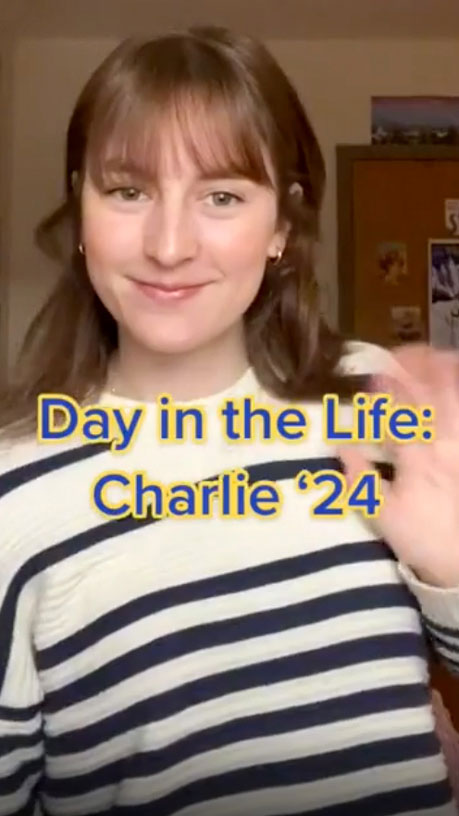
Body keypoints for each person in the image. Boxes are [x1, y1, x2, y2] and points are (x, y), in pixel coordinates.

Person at [1, 26, 459, 816]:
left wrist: (448, 569)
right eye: (128, 191)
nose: (169, 246)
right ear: (80, 212)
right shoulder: (15, 490)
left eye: (221, 196)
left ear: (281, 226)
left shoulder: (373, 400)